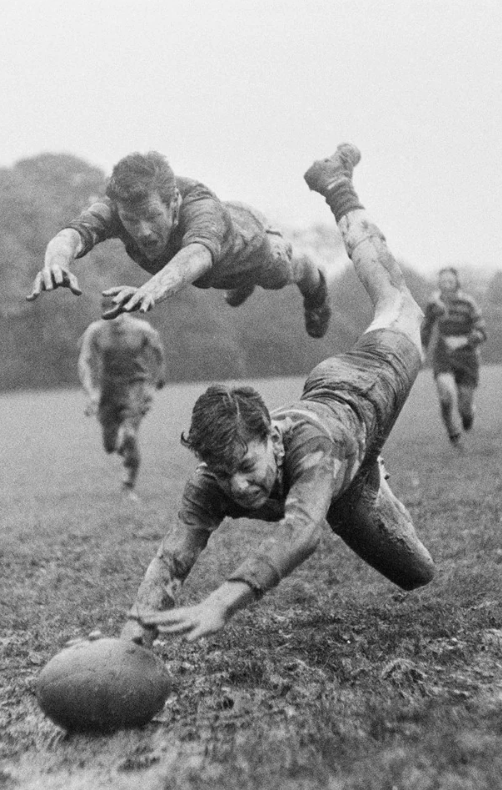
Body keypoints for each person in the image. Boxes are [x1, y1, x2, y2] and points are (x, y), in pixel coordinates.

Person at [119, 143, 435, 648]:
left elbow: (301, 532)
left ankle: (337, 185)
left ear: (271, 437)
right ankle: (368, 472)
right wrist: (134, 632)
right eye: (224, 474)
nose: (239, 487)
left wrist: (223, 601)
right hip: (339, 458)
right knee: (418, 572)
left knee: (398, 303)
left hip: (364, 383)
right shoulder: (214, 479)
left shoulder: (308, 445)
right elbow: (173, 555)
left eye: (246, 466)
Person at [26, 151, 331, 339]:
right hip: (216, 268)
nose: (142, 231)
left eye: (151, 216)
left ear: (174, 203)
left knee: (280, 275)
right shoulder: (118, 208)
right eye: (131, 220)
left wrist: (152, 289)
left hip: (252, 240)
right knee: (223, 286)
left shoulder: (201, 207)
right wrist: (56, 263)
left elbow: (196, 255)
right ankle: (240, 286)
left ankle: (316, 287)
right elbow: (73, 234)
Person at [78, 310, 166, 494]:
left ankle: (129, 484)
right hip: (108, 389)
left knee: (129, 434)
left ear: (127, 309)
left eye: (120, 308)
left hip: (135, 386)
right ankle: (125, 452)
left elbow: (158, 351)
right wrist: (91, 391)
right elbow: (84, 360)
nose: (116, 315)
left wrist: (157, 380)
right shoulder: (96, 330)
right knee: (110, 445)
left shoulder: (141, 328)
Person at [420, 267, 487, 448]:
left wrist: (473, 338)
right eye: (442, 282)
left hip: (467, 357)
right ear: (438, 284)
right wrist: (422, 348)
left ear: (457, 282)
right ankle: (452, 431)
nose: (446, 285)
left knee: (464, 406)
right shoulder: (434, 303)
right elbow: (425, 327)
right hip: (444, 356)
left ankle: (468, 415)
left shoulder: (468, 303)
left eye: (450, 281)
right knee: (446, 394)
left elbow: (481, 329)